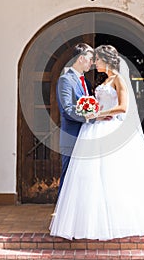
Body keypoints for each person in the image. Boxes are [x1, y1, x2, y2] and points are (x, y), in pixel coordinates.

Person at [50, 45, 144, 240]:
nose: (94, 63)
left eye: (97, 60)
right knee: (88, 179)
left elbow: (123, 107)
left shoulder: (119, 79)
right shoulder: (102, 80)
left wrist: (99, 114)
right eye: (93, 59)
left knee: (113, 177)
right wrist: (94, 113)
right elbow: (74, 107)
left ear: (107, 60)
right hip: (92, 129)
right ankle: (85, 221)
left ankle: (117, 221)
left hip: (109, 128)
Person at [56, 43, 94, 195]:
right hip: (71, 137)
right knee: (68, 177)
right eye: (90, 59)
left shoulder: (87, 82)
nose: (92, 63)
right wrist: (88, 117)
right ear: (81, 59)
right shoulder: (66, 80)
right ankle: (61, 215)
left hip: (86, 137)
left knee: (83, 179)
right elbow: (66, 110)